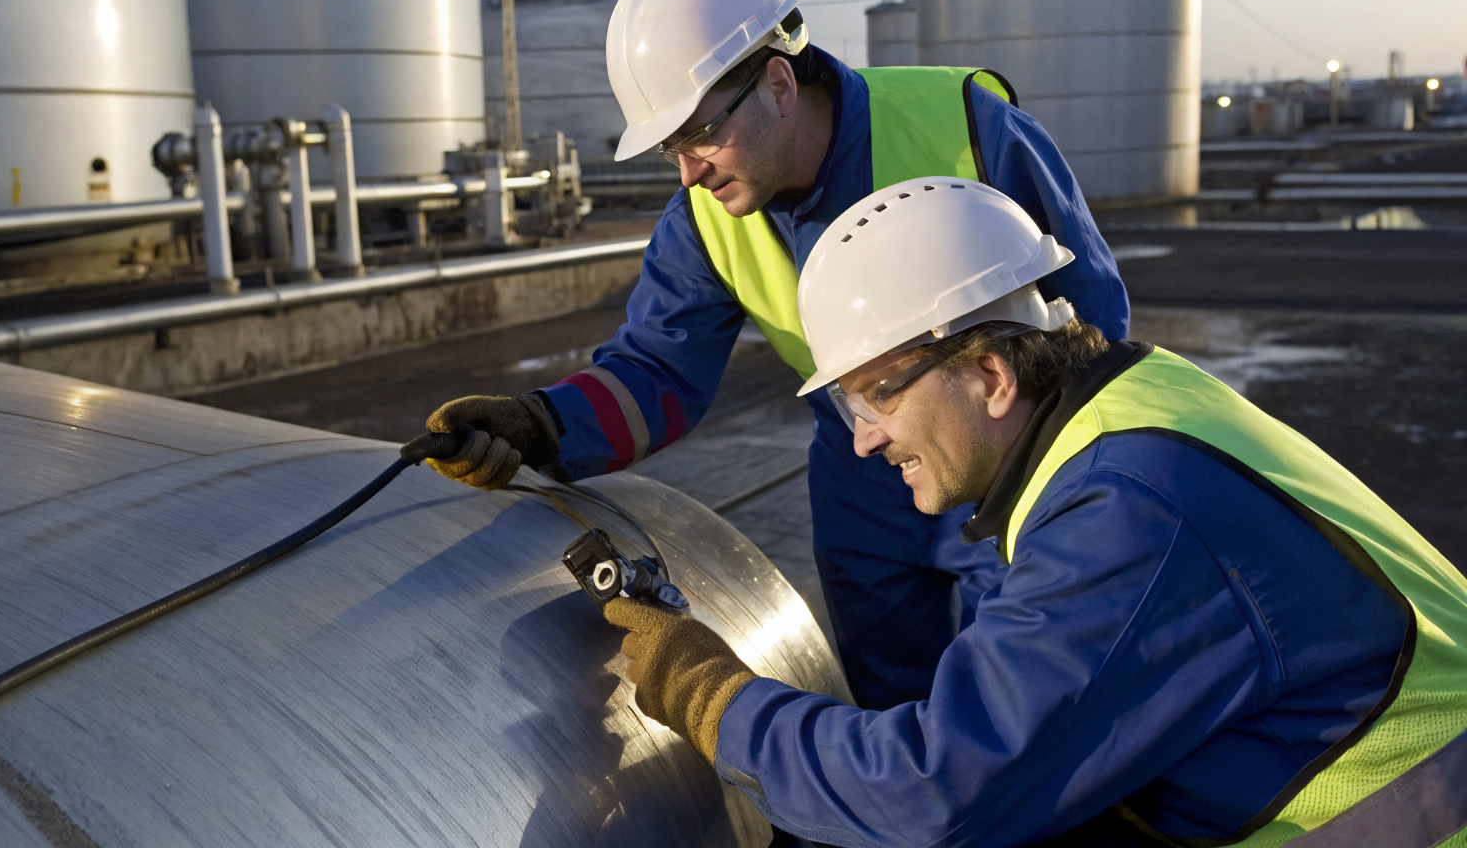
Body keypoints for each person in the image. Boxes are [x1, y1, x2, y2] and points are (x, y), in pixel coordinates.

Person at [600, 178, 1467, 847]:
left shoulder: (1130, 515)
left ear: (991, 376)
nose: (862, 441)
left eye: (876, 399)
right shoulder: (1132, 407)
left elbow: (938, 791)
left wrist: (714, 696)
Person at [422, 0, 1129, 710]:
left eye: (699, 133)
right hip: (864, 478)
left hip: (1010, 465)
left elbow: (1092, 330)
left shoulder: (968, 128)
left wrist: (1075, 500)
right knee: (893, 708)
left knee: (1033, 711)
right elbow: (657, 373)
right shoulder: (703, 221)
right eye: (671, 147)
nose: (687, 171)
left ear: (779, 83)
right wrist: (540, 426)